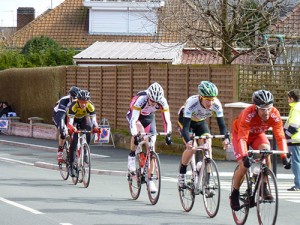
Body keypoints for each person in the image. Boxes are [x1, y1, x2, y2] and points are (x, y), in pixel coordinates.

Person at [230, 90, 291, 211]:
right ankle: (234, 193)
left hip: (258, 134)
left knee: (266, 151)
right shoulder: (248, 114)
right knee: (244, 166)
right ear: (256, 108)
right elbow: (242, 138)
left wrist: (284, 156)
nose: (266, 112)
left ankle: (263, 186)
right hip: (240, 135)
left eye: (269, 108)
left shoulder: (274, 114)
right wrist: (244, 155)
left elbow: (280, 136)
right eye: (263, 109)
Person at [177, 81, 230, 190]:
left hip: (200, 122)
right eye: (207, 100)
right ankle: (182, 174)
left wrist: (226, 138)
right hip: (186, 122)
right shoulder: (192, 104)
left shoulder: (216, 104)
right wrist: (188, 141)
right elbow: (186, 128)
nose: (210, 103)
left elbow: (222, 125)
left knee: (208, 144)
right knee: (193, 148)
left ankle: (207, 181)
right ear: (201, 97)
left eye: (212, 99)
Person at [126, 82, 172, 193]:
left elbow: (167, 120)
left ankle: (150, 179)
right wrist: (135, 134)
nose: (153, 103)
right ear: (148, 97)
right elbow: (133, 119)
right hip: (136, 116)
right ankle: (132, 157)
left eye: (155, 102)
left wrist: (168, 134)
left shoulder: (162, 101)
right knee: (139, 131)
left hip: (149, 118)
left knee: (151, 146)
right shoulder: (141, 99)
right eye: (151, 100)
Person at [67, 89, 101, 177]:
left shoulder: (90, 106)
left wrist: (96, 127)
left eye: (85, 102)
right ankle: (71, 166)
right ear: (78, 100)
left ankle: (85, 150)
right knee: (74, 142)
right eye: (81, 102)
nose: (83, 104)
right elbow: (70, 122)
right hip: (74, 120)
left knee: (89, 128)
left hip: (83, 119)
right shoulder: (73, 106)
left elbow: (94, 120)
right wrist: (72, 128)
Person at [52, 86, 80, 163]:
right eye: (74, 98)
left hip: (70, 115)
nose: (75, 100)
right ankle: (60, 150)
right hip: (59, 114)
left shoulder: (79, 102)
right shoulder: (64, 101)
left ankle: (74, 150)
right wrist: (62, 129)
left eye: (76, 99)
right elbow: (61, 118)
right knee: (63, 132)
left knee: (76, 130)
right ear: (70, 96)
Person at [284, 89, 300, 191]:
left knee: (295, 162)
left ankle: (298, 184)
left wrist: (286, 136)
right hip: (297, 139)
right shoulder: (296, 108)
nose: (287, 99)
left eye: (288, 97)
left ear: (292, 98)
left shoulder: (295, 109)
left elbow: (294, 126)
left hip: (295, 140)